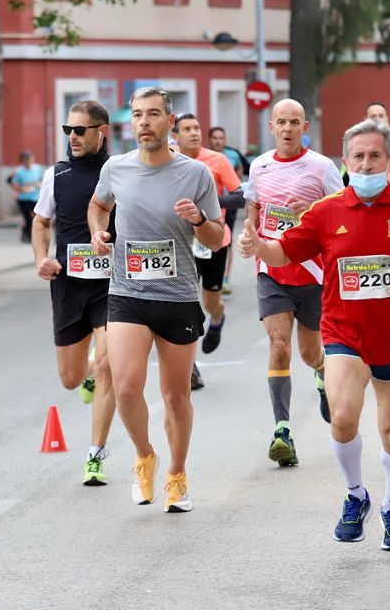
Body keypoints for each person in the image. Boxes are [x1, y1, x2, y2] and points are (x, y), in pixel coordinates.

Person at [238, 118, 390, 551]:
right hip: (343, 332)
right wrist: (257, 246)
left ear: (389, 160)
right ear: (345, 162)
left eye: (374, 156)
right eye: (358, 156)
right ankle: (355, 495)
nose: (365, 164)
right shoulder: (325, 212)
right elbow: (283, 250)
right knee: (342, 418)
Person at [88, 86, 223, 513]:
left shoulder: (195, 174)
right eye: (137, 115)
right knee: (125, 387)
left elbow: (216, 238)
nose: (143, 122)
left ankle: (177, 475)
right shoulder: (117, 167)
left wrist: (199, 219)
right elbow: (98, 204)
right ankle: (145, 455)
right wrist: (97, 231)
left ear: (169, 122)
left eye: (152, 114)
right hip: (127, 291)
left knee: (175, 396)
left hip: (178, 295)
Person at [245, 98, 344, 467]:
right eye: (280, 122)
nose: (287, 128)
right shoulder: (260, 167)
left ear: (305, 128)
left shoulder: (321, 167)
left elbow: (341, 210)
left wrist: (315, 213)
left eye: (294, 122)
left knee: (309, 353)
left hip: (314, 274)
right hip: (272, 271)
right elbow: (253, 209)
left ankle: (321, 374)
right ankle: (282, 430)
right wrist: (249, 235)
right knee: (278, 345)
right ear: (271, 127)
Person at [33, 100, 118, 485]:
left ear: (102, 132)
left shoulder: (120, 171)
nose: (72, 136)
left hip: (112, 285)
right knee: (70, 377)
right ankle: (84, 377)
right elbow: (41, 221)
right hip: (69, 284)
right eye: (68, 129)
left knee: (106, 366)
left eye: (80, 130)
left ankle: (95, 455)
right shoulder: (57, 174)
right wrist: (41, 258)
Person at [173, 114, 245, 369]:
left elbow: (239, 197)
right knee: (184, 302)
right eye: (187, 129)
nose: (194, 133)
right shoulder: (169, 160)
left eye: (197, 128)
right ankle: (189, 367)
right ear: (175, 136)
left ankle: (217, 318)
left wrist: (209, 206)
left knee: (209, 302)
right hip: (181, 242)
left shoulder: (217, 160)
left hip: (214, 240)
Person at [208, 126, 245, 295]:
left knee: (226, 242)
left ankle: (226, 277)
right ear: (210, 139)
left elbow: (238, 177)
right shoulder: (205, 156)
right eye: (214, 137)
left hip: (228, 204)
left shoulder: (233, 156)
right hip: (209, 208)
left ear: (225, 139)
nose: (218, 141)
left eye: (221, 138)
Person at [10, 151, 44, 242]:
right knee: (27, 218)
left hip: (35, 197)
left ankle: (32, 234)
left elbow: (42, 179)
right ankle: (28, 236)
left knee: (35, 217)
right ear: (23, 161)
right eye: (26, 161)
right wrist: (21, 189)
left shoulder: (38, 168)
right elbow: (13, 183)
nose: (28, 163)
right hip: (23, 198)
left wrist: (40, 184)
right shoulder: (19, 171)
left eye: (30, 160)